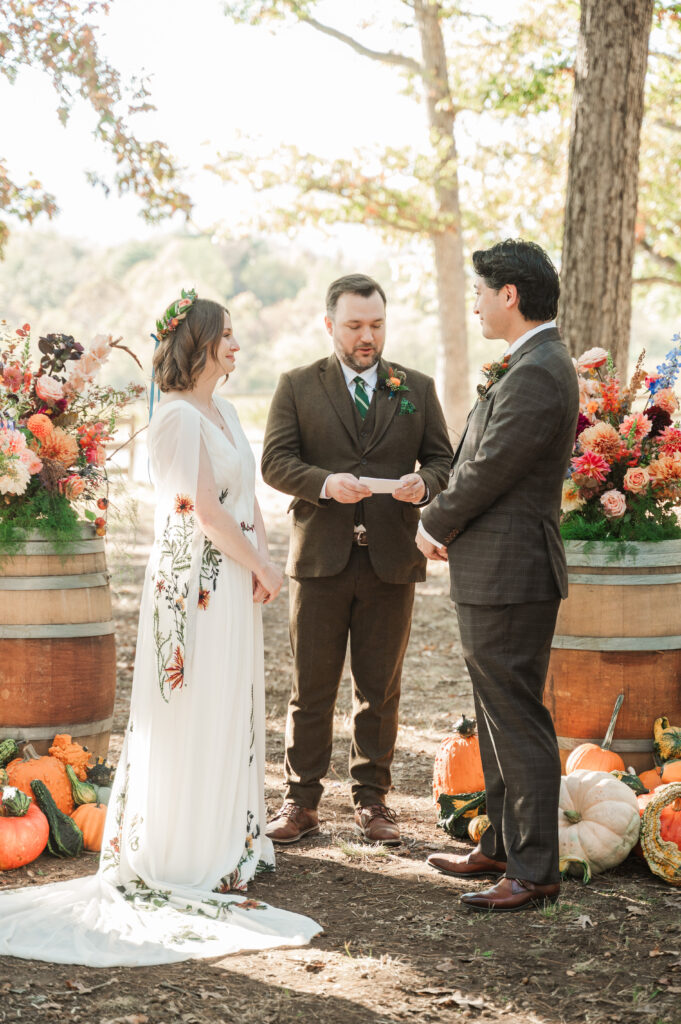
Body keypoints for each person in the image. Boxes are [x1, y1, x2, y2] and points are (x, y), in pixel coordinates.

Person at [0, 291, 320, 965]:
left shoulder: (227, 411)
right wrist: (259, 562)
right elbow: (202, 510)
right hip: (192, 587)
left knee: (228, 701)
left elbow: (246, 500)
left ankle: (227, 841)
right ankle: (183, 849)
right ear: (199, 344)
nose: (236, 345)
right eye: (226, 335)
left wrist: (262, 564)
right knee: (192, 703)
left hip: (232, 579)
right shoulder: (175, 417)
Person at [261, 273, 452, 846]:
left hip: (391, 562)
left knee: (380, 689)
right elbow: (274, 461)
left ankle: (373, 802)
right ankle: (301, 802)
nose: (367, 336)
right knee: (311, 688)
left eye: (376, 325)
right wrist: (325, 483)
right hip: (320, 560)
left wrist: (425, 485)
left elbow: (443, 461)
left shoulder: (416, 386)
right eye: (354, 326)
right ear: (330, 325)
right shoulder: (297, 385)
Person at [417, 240, 579, 912]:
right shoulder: (529, 362)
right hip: (496, 567)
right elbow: (481, 459)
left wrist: (434, 522)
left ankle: (534, 870)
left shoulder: (539, 370)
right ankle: (502, 845)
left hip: (513, 571)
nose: (476, 304)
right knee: (494, 715)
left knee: (516, 717)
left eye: (481, 292)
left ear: (510, 294)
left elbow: (491, 469)